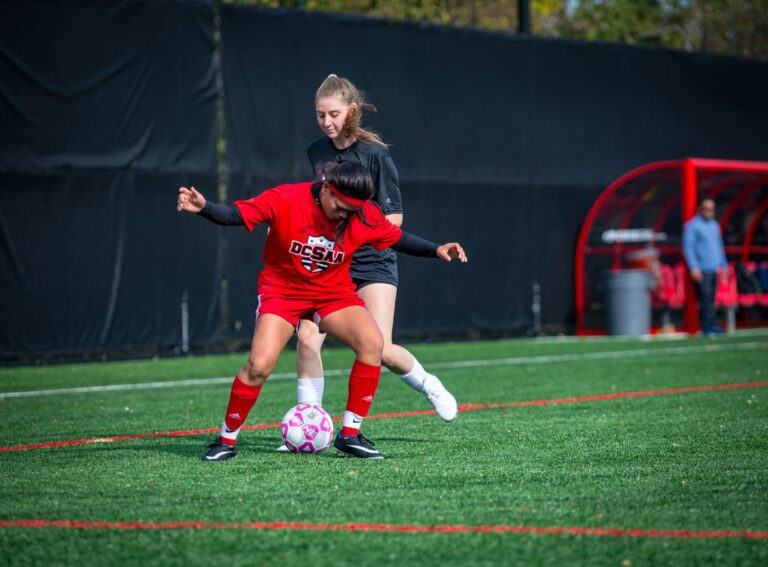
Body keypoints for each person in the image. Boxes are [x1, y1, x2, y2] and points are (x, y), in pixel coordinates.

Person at [176, 160, 467, 461]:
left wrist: (436, 249)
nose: (345, 215)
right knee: (260, 364)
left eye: (352, 210)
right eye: (341, 206)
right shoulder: (286, 198)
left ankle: (350, 435)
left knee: (373, 343)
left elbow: (398, 239)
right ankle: (226, 440)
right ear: (327, 187)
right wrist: (205, 207)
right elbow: (237, 215)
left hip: (332, 293)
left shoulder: (363, 214)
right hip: (282, 292)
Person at [284, 75, 458, 451]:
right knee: (307, 338)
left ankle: (429, 384)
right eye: (320, 115)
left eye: (333, 114)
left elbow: (394, 221)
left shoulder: (376, 155)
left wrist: (352, 231)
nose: (327, 122)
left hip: (374, 259)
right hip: (331, 263)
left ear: (352, 110)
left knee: (379, 348)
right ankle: (308, 424)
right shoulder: (317, 151)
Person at [682, 197, 728, 337]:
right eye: (707, 209)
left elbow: (719, 247)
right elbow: (688, 247)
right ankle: (707, 327)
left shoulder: (715, 225)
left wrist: (724, 266)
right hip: (701, 269)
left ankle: (712, 325)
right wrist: (694, 267)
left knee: (711, 299)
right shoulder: (692, 226)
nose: (710, 212)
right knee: (706, 298)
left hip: (714, 268)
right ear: (699, 209)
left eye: (712, 209)